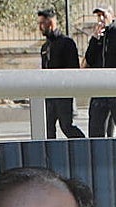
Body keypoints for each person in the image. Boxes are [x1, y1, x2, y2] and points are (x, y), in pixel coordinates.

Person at [38, 8, 86, 139]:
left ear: (51, 23)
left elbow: (73, 69)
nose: (39, 27)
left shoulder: (66, 43)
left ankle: (83, 145)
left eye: (42, 23)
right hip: (49, 95)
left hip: (63, 94)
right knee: (48, 128)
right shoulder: (45, 47)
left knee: (66, 126)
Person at [84, 6, 116, 137]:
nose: (101, 19)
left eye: (104, 15)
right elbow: (89, 59)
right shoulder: (98, 36)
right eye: (98, 16)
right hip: (99, 87)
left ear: (112, 16)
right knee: (96, 128)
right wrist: (94, 39)